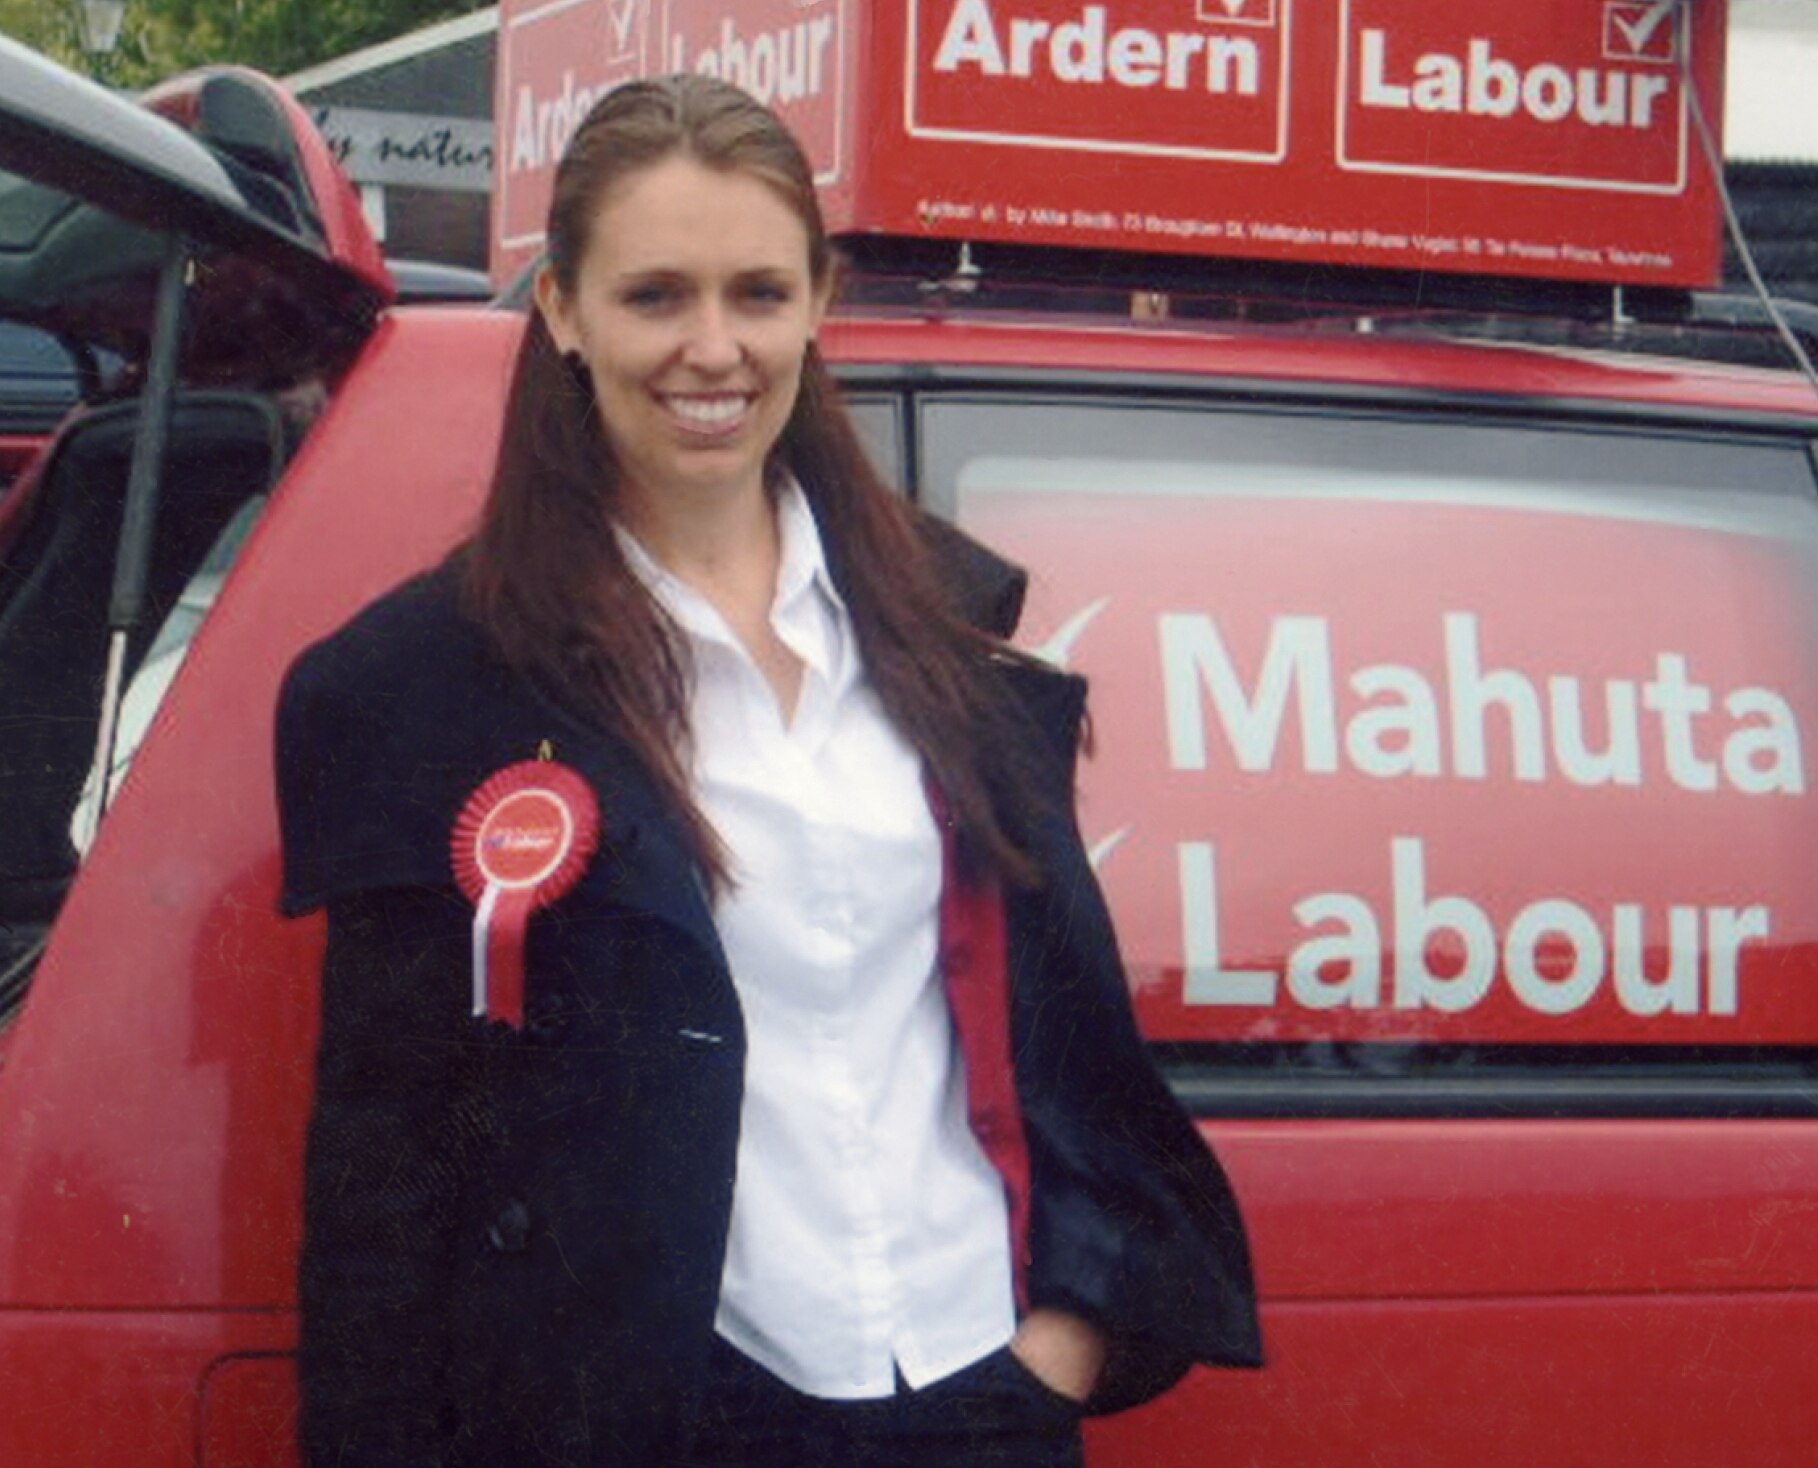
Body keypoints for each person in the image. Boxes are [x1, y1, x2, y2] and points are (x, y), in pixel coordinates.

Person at [275, 74, 1260, 1468]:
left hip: (974, 1384)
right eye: (655, 295)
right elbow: (386, 1165)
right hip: (666, 1412)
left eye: (755, 292)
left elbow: (1056, 1025)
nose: (713, 348)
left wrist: (1060, 1349)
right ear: (559, 309)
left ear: (817, 301)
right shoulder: (421, 683)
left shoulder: (941, 624)